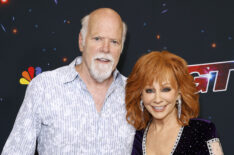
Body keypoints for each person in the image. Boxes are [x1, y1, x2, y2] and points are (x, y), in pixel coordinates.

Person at [2, 8, 135, 154]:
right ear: (81, 41)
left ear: (121, 48)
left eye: (114, 42)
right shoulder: (44, 87)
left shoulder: (135, 94)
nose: (105, 48)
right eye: (97, 39)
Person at [125, 51, 223, 155]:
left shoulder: (202, 130)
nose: (157, 99)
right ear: (140, 95)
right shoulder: (137, 136)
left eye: (166, 89)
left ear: (179, 93)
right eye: (149, 90)